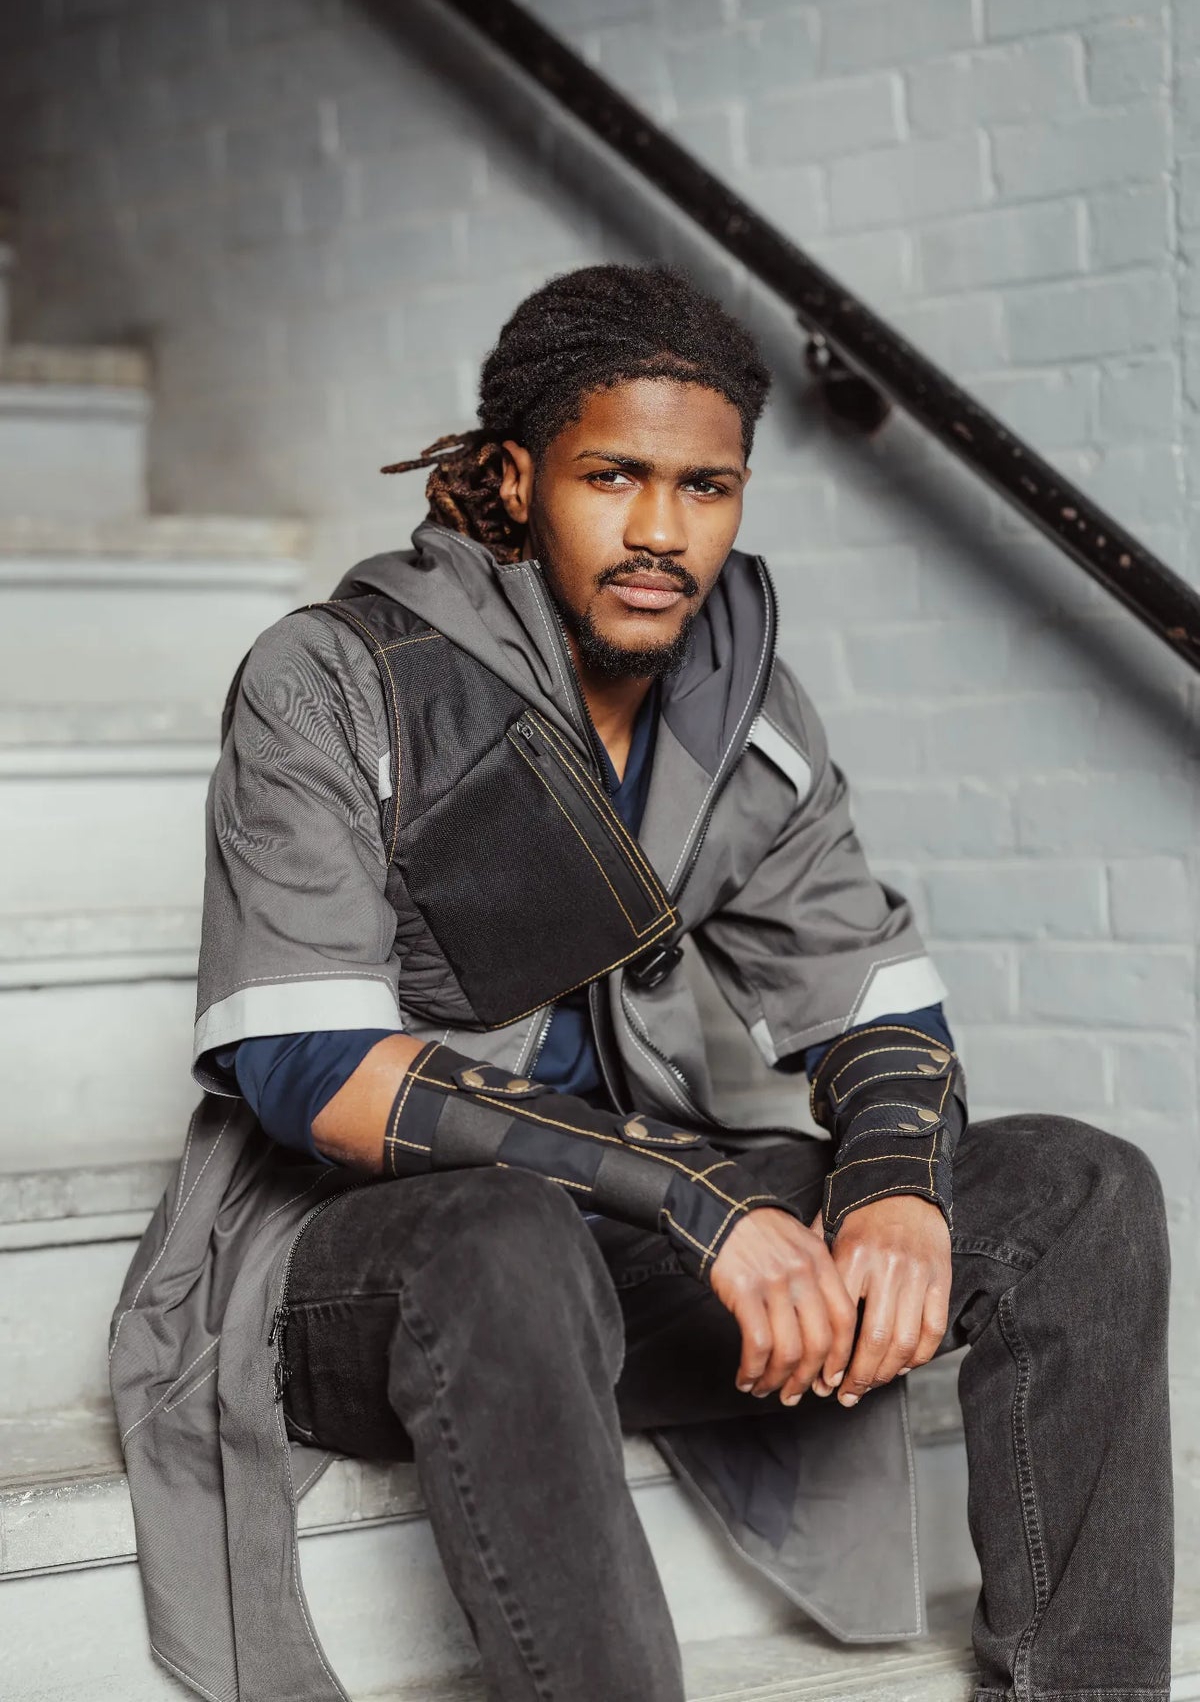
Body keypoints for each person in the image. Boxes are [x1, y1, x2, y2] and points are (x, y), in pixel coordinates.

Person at [112, 264, 1173, 1702]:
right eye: (613, 476)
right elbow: (312, 1073)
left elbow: (873, 1004)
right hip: (353, 1272)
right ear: (515, 478)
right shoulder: (332, 681)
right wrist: (698, 1192)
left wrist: (893, 1189)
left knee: (1078, 1190)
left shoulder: (742, 712)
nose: (663, 532)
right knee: (505, 1237)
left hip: (619, 1250)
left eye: (706, 487)